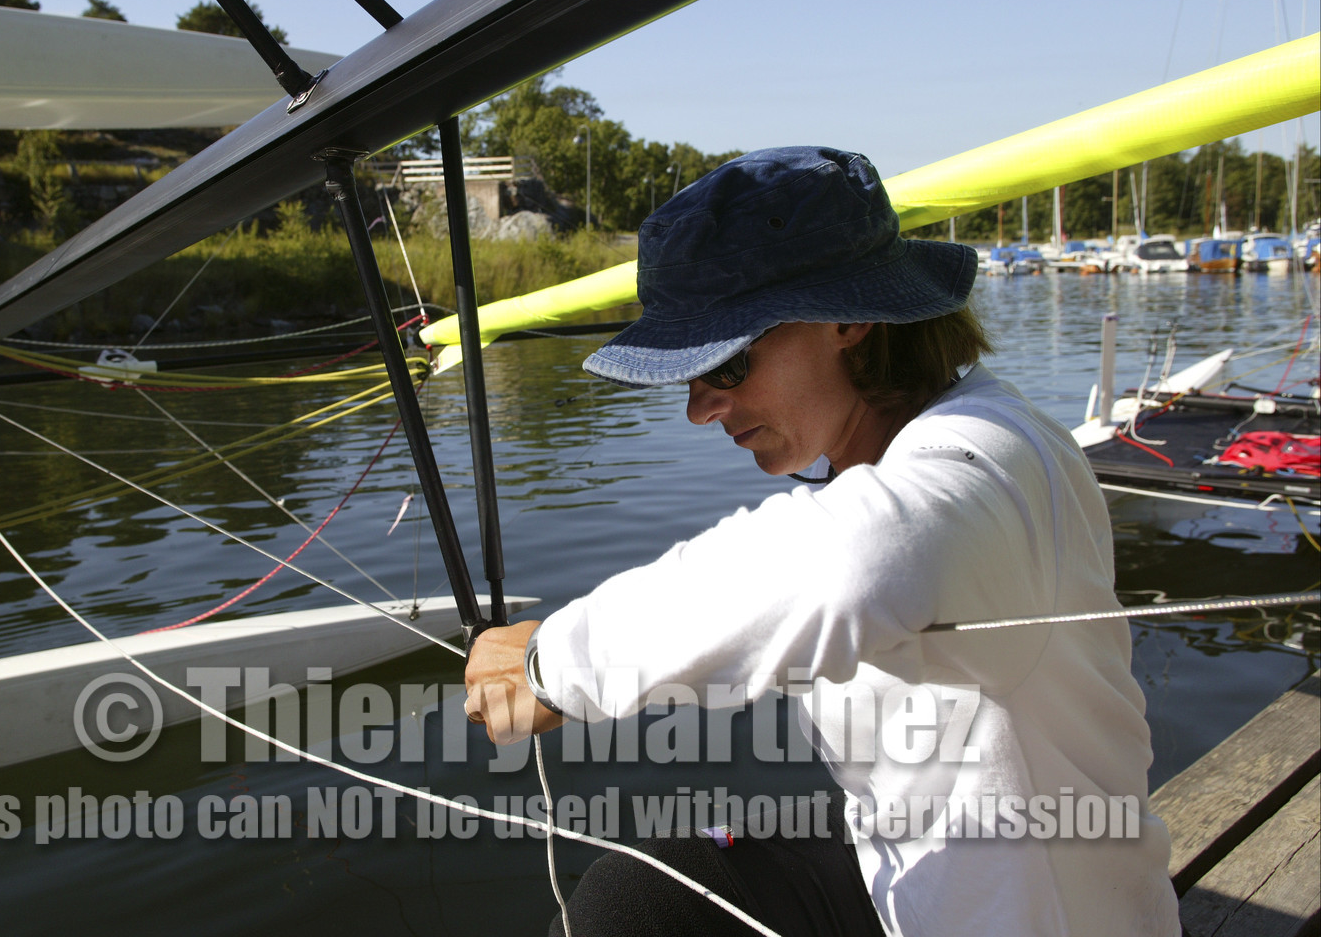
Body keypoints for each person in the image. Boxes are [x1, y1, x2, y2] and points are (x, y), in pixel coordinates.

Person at [463, 147, 1178, 936]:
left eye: (727, 363)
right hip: (906, 884)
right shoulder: (902, 456)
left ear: (848, 318)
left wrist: (552, 666)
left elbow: (852, 566)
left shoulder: (988, 456)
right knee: (642, 891)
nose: (700, 409)